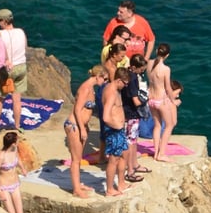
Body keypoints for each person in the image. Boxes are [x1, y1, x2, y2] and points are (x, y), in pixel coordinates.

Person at [64, 65, 108, 198]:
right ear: (98, 76)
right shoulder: (85, 88)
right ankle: (76, 190)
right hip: (74, 126)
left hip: (81, 125)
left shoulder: (91, 89)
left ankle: (78, 184)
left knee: (78, 158)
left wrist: (85, 126)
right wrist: (82, 129)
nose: (105, 82)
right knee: (76, 159)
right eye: (104, 79)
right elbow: (77, 109)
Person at [0, 9, 28, 132]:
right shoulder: (21, 32)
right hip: (21, 66)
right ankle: (17, 126)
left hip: (8, 69)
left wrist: (5, 61)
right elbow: (25, 47)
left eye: (0, 21)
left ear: (5, 21)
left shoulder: (0, 34)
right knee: (17, 99)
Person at [101, 67, 132, 196]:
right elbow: (106, 117)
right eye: (124, 84)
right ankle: (109, 189)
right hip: (114, 130)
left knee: (125, 154)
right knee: (113, 160)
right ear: (119, 80)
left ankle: (121, 182)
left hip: (119, 130)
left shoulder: (115, 89)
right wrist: (117, 126)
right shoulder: (111, 93)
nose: (125, 87)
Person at [147, 43, 178, 161]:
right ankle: (161, 154)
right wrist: (173, 101)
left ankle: (156, 153)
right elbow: (168, 88)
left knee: (157, 125)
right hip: (160, 100)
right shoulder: (165, 69)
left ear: (156, 51)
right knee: (169, 125)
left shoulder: (149, 63)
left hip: (151, 99)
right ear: (167, 55)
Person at [122, 54, 151, 182]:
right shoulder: (133, 79)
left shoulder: (129, 74)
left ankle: (134, 165)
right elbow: (136, 101)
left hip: (130, 113)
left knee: (134, 141)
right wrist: (146, 97)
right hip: (131, 114)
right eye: (141, 69)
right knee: (130, 142)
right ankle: (130, 171)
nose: (142, 71)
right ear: (134, 67)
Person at [0, 130, 26, 213]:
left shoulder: (14, 150)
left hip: (15, 183)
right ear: (13, 144)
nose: (19, 141)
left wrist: (23, 169)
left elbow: (17, 159)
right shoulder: (2, 156)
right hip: (4, 186)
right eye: (17, 140)